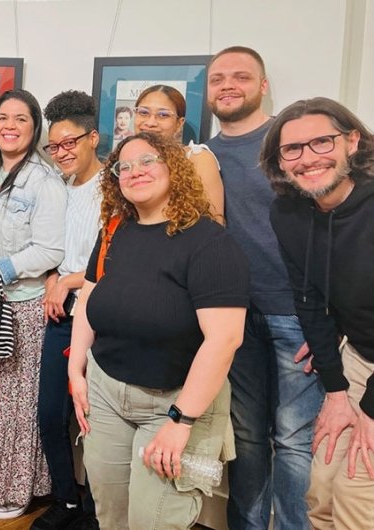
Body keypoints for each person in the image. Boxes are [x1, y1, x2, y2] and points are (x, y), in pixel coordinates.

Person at [68, 132, 249, 529]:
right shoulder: (115, 230)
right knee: (111, 514)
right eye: (124, 166)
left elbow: (225, 340)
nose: (135, 171)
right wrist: (75, 369)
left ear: (174, 168)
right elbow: (88, 297)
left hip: (176, 402)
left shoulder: (209, 243)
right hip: (106, 392)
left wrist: (181, 421)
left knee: (154, 521)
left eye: (147, 161)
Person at [206, 46, 324, 530]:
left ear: (263, 85)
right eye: (217, 79)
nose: (228, 86)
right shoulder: (203, 155)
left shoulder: (291, 143)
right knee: (246, 436)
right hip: (233, 317)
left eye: (241, 76)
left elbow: (332, 228)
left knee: (295, 440)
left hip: (297, 316)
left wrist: (327, 319)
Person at [262, 97, 374, 530]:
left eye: (321, 142)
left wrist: (369, 411)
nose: (308, 158)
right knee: (320, 486)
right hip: (359, 355)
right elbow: (308, 300)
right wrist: (336, 390)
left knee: (356, 491)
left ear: (352, 141)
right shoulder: (288, 213)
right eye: (292, 149)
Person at [0, 89, 65, 519]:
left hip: (23, 306)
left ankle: (14, 490)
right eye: (3, 117)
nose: (10, 126)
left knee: (16, 407)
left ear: (35, 128)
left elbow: (51, 250)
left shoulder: (44, 180)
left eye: (21, 119)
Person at [32, 90, 102, 530]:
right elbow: (48, 248)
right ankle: (66, 499)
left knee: (97, 418)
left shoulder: (115, 185)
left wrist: (68, 281)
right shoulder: (55, 188)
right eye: (54, 146)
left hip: (101, 316)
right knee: (50, 413)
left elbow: (113, 258)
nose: (61, 153)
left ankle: (96, 511)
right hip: (61, 317)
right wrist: (52, 279)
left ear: (93, 137)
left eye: (70, 142)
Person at [133, 84, 224, 219]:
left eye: (163, 115)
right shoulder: (125, 161)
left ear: (179, 123)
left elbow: (214, 222)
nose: (151, 122)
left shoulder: (197, 159)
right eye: (144, 113)